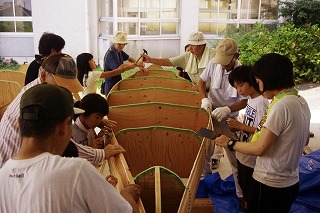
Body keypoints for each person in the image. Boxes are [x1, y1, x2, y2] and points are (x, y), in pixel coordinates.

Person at [0, 83, 142, 212]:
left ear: (19, 123)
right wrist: (127, 195)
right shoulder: (76, 171)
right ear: (64, 126)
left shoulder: (2, 177)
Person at [215, 53, 311, 213]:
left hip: (269, 182)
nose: (258, 87)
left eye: (258, 82)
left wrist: (230, 143)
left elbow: (259, 148)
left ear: (269, 78)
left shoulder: (281, 106)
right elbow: (305, 140)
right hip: (291, 181)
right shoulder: (300, 101)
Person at [0, 53, 124, 168]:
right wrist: (101, 154)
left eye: (67, 88)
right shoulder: (35, 105)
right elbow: (64, 145)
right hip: (12, 170)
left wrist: (95, 116)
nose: (64, 93)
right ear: (43, 75)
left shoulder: (41, 92)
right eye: (61, 86)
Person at [199, 38, 247, 176]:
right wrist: (204, 99)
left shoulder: (241, 73)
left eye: (226, 62)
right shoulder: (213, 64)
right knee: (204, 147)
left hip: (229, 122)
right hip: (209, 116)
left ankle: (239, 187)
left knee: (234, 154)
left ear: (236, 56)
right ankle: (204, 179)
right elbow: (201, 82)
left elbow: (244, 101)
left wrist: (227, 109)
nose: (223, 65)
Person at [226, 65, 269, 210]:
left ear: (252, 81)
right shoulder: (251, 100)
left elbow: (261, 131)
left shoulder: (262, 103)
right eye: (235, 87)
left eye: (241, 85)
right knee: (243, 182)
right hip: (243, 153)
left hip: (251, 158)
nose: (239, 90)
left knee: (251, 188)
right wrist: (238, 127)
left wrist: (241, 126)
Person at [141, 32, 216, 87]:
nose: (190, 48)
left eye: (193, 45)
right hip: (197, 90)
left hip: (214, 93)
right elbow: (168, 61)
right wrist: (150, 60)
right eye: (189, 45)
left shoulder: (213, 55)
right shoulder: (188, 56)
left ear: (202, 45)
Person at [77, 52, 143, 98]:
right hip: (90, 100)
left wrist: (124, 67)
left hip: (85, 97)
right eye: (91, 60)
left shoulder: (84, 74)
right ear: (86, 63)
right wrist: (130, 66)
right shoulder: (93, 74)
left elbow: (116, 70)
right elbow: (113, 73)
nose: (94, 61)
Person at [103, 31, 145, 95]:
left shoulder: (119, 51)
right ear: (114, 42)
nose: (122, 46)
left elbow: (130, 59)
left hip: (117, 82)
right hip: (110, 85)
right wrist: (136, 64)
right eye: (119, 44)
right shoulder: (110, 55)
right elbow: (120, 69)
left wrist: (140, 67)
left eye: (124, 44)